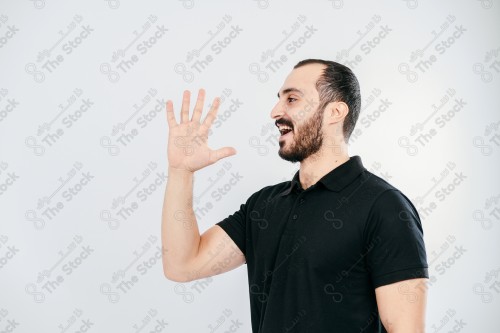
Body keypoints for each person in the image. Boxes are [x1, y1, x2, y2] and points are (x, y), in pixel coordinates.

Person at [161, 59, 428, 333]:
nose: (275, 112)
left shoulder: (384, 206)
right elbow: (183, 265)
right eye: (279, 100)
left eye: (292, 99)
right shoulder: (263, 207)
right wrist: (181, 171)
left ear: (335, 112)